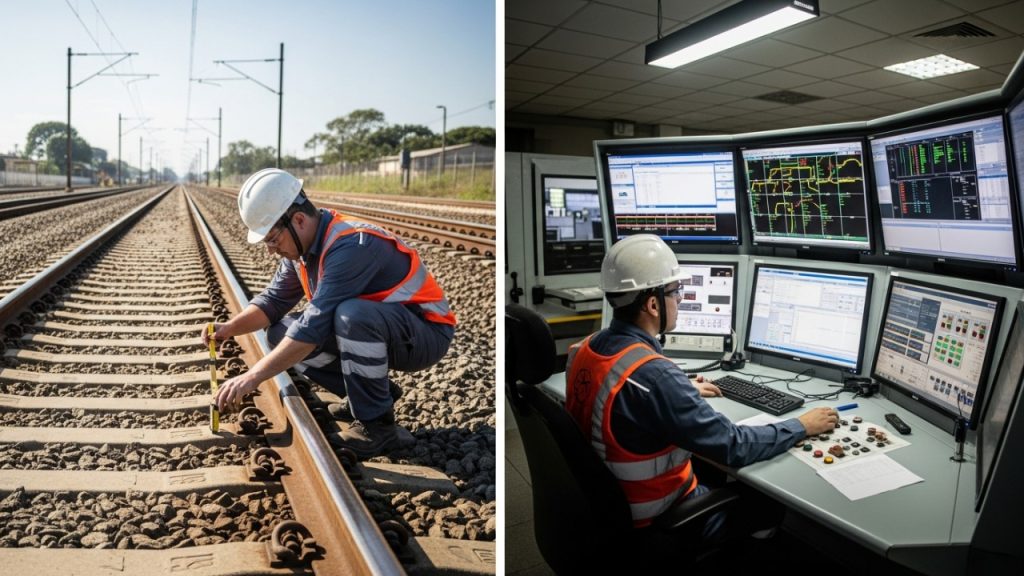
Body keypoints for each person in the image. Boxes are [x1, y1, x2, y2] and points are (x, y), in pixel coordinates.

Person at [564, 234, 836, 544]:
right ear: (653, 304)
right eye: (675, 291)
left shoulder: (583, 350)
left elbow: (625, 394)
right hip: (656, 524)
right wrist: (801, 425)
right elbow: (735, 446)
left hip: (606, 512)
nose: (679, 299)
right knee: (765, 499)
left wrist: (678, 390)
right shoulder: (657, 379)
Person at [204, 168, 456, 458]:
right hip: (390, 328)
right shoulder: (302, 250)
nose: (271, 250)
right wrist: (229, 328)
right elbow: (273, 302)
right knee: (278, 331)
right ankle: (368, 394)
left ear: (298, 220)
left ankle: (379, 427)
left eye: (272, 240)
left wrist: (253, 377)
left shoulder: (350, 245)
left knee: (351, 314)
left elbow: (312, 328)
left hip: (425, 333)